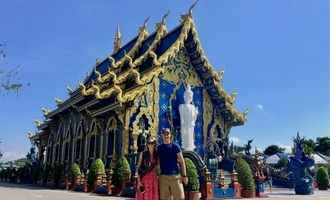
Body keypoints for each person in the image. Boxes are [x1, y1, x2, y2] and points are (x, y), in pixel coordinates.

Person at [158, 128, 188, 200]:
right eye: (164, 134)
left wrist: (184, 175)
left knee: (180, 197)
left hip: (175, 177)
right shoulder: (159, 148)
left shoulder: (175, 147)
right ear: (162, 135)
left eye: (167, 133)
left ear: (170, 135)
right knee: (165, 198)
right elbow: (157, 162)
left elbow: (181, 161)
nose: (166, 135)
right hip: (164, 177)